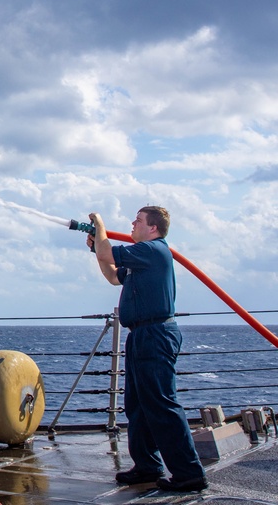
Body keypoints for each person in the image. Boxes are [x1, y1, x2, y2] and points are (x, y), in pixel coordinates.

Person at [87, 207, 207, 493]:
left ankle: (189, 473)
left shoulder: (153, 250)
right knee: (138, 405)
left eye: (138, 220)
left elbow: (107, 253)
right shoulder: (141, 256)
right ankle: (147, 466)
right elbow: (113, 275)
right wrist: (97, 248)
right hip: (141, 334)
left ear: (153, 228)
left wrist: (100, 226)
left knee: (162, 404)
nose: (132, 223)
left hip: (156, 334)